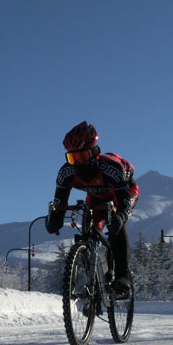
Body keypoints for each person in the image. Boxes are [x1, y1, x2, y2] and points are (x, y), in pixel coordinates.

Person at [46, 121, 139, 295]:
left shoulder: (112, 169)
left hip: (123, 192)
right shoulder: (66, 173)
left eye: (80, 158)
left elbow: (124, 204)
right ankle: (94, 284)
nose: (77, 164)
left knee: (116, 228)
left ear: (93, 153)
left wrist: (121, 216)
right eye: (72, 159)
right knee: (88, 234)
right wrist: (55, 219)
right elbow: (59, 204)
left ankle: (122, 275)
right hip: (95, 198)